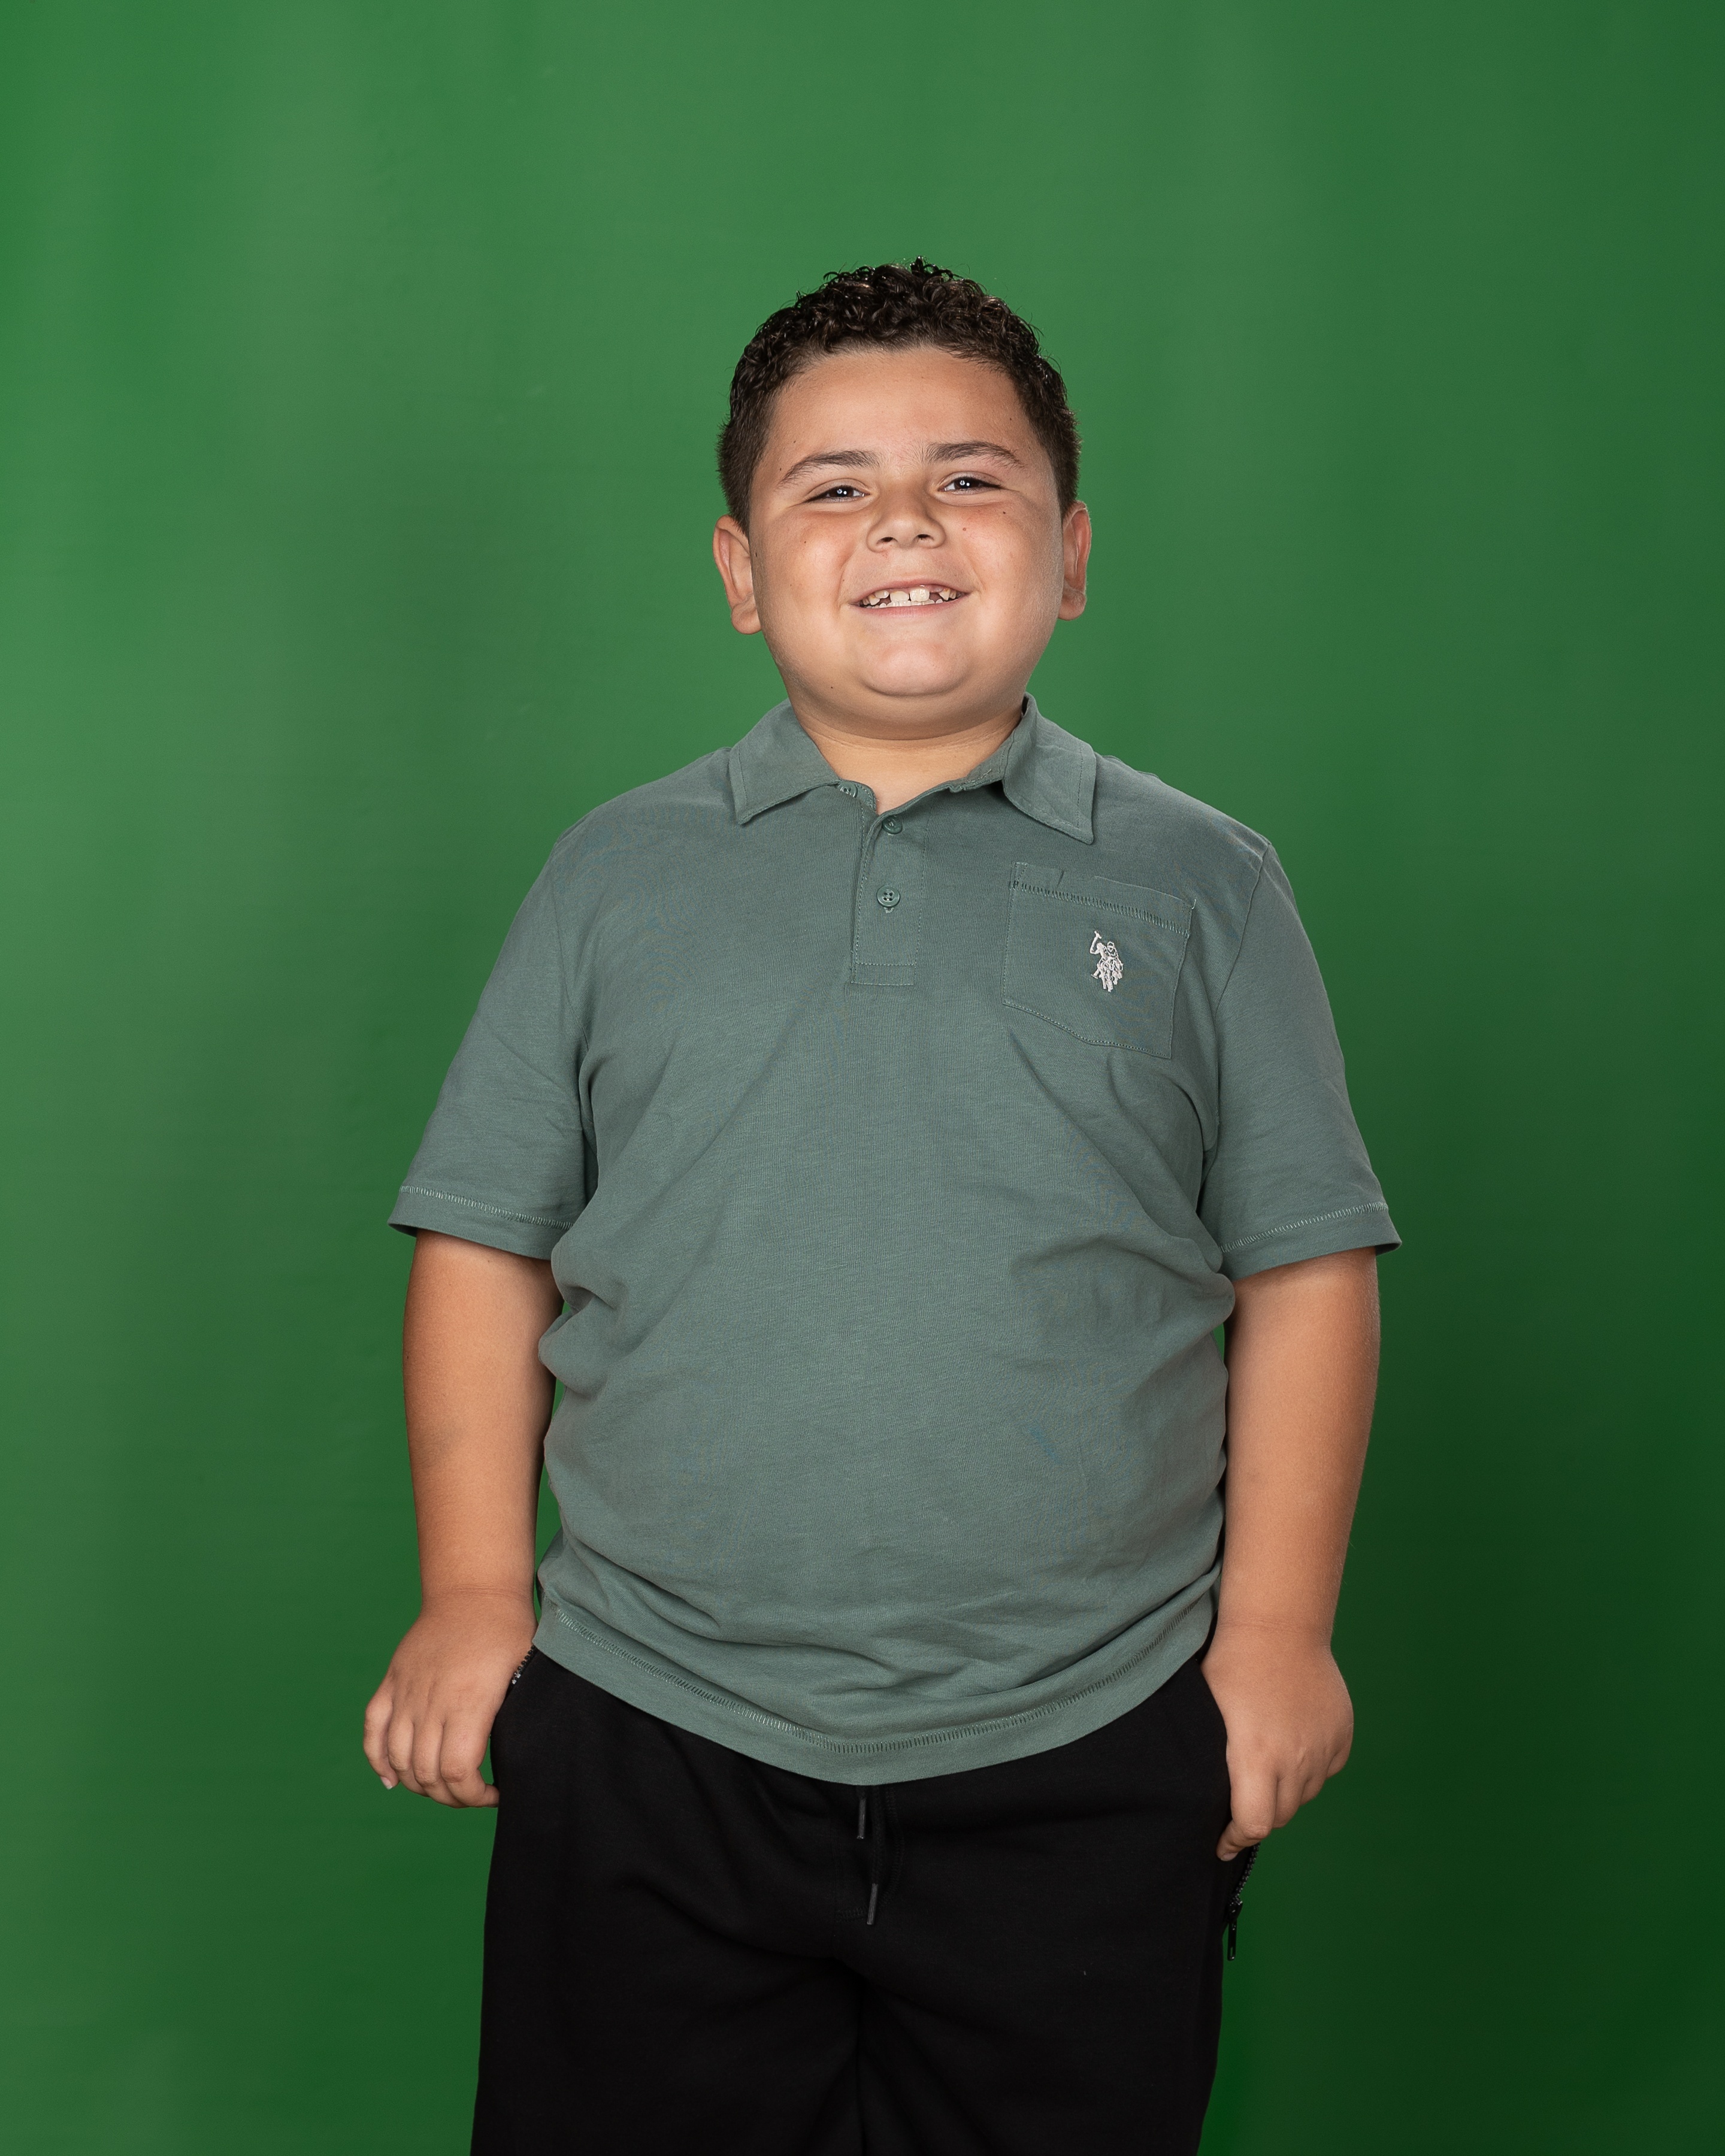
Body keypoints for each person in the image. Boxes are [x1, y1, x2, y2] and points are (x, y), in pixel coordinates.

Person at [363, 259, 1397, 2156]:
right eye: (833, 486)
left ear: (1069, 557)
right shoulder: (613, 879)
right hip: (655, 1722)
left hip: (1091, 1736)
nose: (906, 521)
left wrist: (1277, 1634)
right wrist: (474, 1595)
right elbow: (485, 1242)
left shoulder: (1203, 887)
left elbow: (1308, 1267)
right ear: (741, 573)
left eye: (970, 479)